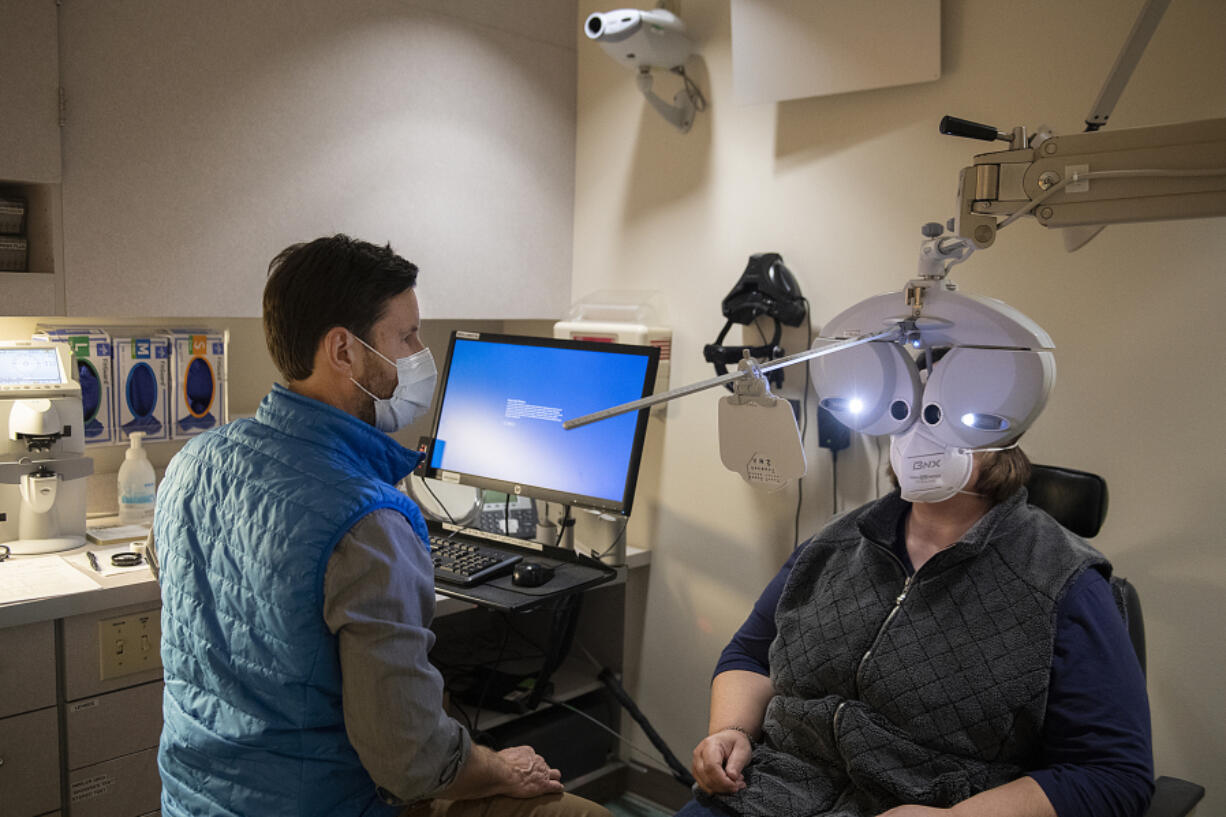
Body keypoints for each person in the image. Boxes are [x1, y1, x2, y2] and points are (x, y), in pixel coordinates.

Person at [150, 235, 611, 817]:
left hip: (193, 801)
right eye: (407, 336)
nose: (421, 354)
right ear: (343, 351)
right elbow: (410, 762)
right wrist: (501, 766)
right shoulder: (368, 520)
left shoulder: (193, 462)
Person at [678, 445, 1154, 817]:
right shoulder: (833, 544)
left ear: (1003, 427)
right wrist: (732, 731)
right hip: (766, 793)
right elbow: (751, 655)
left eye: (945, 414)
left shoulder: (1065, 582)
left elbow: (1112, 776)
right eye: (909, 409)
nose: (925, 435)